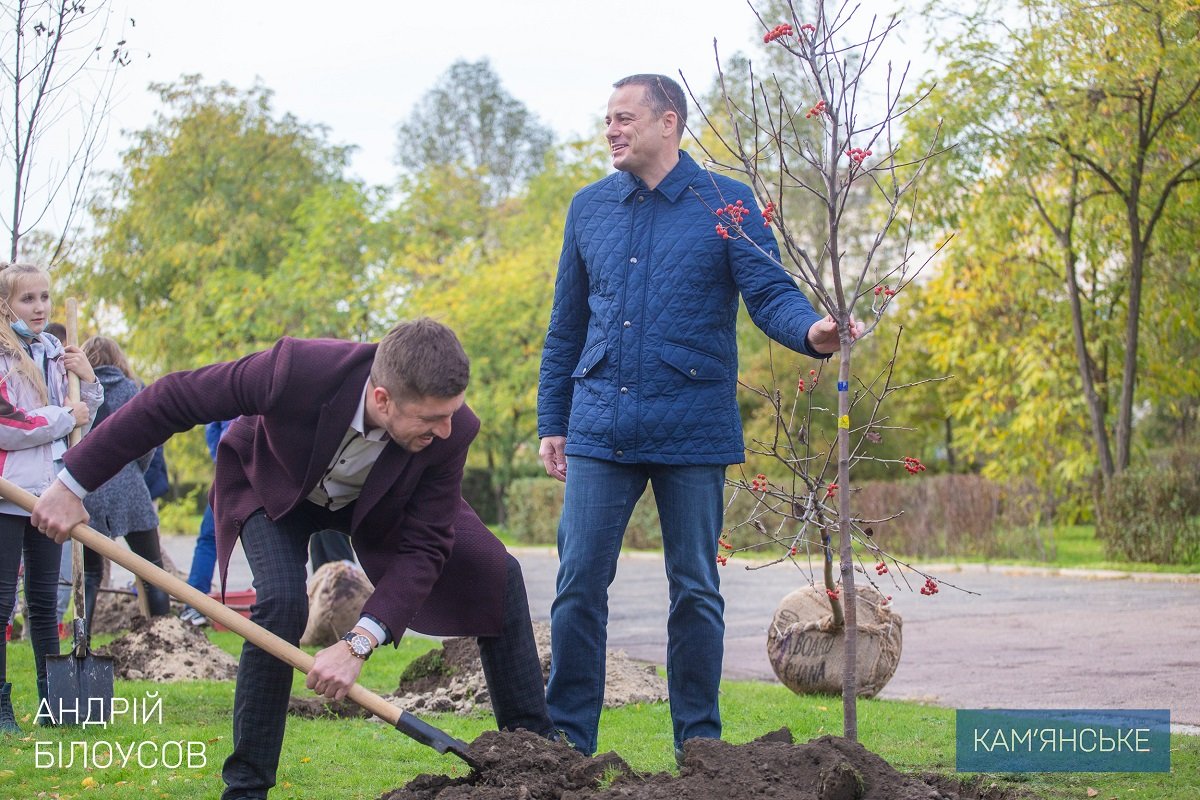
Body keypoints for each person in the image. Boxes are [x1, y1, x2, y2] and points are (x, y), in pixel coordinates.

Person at [32, 318, 554, 797]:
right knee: (281, 605)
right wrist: (71, 483)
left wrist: (358, 643)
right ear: (382, 397)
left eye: (452, 414)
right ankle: (246, 788)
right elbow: (173, 398)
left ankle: (533, 755)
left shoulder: (451, 429)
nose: (446, 429)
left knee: (496, 571)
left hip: (376, 507)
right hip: (275, 489)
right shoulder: (295, 370)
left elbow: (426, 546)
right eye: (432, 418)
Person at [536, 74, 861, 758]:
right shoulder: (589, 207)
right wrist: (553, 420)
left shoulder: (727, 203)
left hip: (692, 428)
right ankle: (567, 742)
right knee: (577, 585)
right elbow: (565, 326)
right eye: (608, 120)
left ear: (668, 123)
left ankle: (700, 746)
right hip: (599, 424)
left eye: (625, 118)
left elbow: (769, 293)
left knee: (695, 592)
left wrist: (812, 333)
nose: (612, 131)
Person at [0, 263, 102, 734]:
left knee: (44, 602)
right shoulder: (2, 354)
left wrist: (89, 380)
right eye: (28, 299)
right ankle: (1, 707)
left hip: (49, 493)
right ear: (5, 305)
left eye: (45, 297)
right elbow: (8, 425)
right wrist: (65, 413)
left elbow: (82, 417)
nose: (40, 307)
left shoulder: (54, 350)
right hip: (6, 491)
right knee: (1, 604)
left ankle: (51, 701)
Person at [78, 336, 171, 633]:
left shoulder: (76, 392)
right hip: (129, 488)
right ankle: (164, 638)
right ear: (118, 359)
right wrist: (133, 472)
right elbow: (147, 443)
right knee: (153, 571)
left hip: (87, 487)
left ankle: (83, 645)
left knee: (91, 574)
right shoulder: (132, 390)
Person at [178, 418, 233, 627]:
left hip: (230, 466)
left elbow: (212, 429)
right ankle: (273, 610)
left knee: (210, 538)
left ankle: (194, 606)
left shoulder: (229, 387)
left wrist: (220, 458)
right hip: (266, 468)